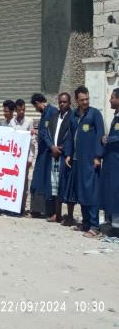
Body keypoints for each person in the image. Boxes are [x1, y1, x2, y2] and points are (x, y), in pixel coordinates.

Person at [64, 86, 105, 238]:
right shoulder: (74, 115)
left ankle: (94, 226)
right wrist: (68, 154)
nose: (85, 102)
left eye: (87, 99)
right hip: (77, 160)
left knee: (91, 192)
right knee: (81, 191)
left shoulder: (95, 114)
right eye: (82, 100)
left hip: (90, 160)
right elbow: (70, 136)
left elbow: (100, 135)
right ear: (77, 100)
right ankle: (86, 223)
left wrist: (98, 156)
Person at [46, 92, 74, 224]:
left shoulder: (73, 117)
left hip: (65, 156)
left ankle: (70, 216)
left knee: (67, 185)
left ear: (70, 103)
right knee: (55, 185)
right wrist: (52, 147)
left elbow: (72, 136)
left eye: (65, 102)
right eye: (60, 102)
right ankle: (57, 214)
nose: (62, 104)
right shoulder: (54, 116)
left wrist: (62, 150)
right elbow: (47, 134)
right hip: (54, 154)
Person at [30, 93, 59, 217]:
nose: (36, 109)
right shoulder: (45, 113)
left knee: (47, 182)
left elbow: (49, 132)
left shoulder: (52, 111)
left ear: (37, 103)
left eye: (35, 107)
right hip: (42, 152)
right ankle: (37, 210)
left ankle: (49, 211)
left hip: (48, 152)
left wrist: (38, 133)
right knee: (38, 180)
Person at [11, 99, 37, 215]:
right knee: (13, 182)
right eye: (19, 110)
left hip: (24, 158)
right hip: (13, 158)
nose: (22, 112)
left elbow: (32, 142)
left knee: (24, 183)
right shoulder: (12, 122)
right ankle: (12, 206)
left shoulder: (29, 121)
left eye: (23, 109)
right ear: (15, 110)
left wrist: (30, 158)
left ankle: (21, 207)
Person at [101, 88, 119, 229]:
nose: (110, 100)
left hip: (116, 162)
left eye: (112, 97)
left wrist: (107, 139)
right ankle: (111, 221)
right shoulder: (116, 116)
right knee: (110, 190)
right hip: (110, 162)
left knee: (115, 191)